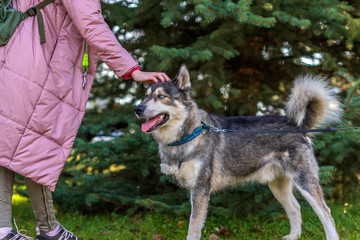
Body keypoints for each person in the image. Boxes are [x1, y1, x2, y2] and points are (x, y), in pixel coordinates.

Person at [0, 0, 170, 239]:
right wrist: (132, 69)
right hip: (39, 67)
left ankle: (17, 228)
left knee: (9, 141)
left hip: (11, 57)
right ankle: (43, 230)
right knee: (34, 145)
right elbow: (90, 23)